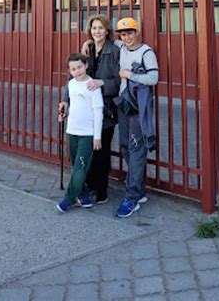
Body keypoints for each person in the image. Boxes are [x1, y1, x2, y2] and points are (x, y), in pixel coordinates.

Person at [59, 15, 120, 203]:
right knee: (87, 153)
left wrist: (102, 83)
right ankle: (89, 186)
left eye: (101, 28)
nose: (97, 32)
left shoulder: (115, 50)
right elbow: (74, 77)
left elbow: (119, 81)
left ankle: (102, 191)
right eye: (94, 28)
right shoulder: (88, 49)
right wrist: (65, 100)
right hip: (84, 112)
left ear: (107, 30)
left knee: (101, 152)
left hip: (105, 109)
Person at [114, 17, 159, 218]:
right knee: (125, 145)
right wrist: (87, 43)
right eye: (123, 34)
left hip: (139, 108)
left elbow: (153, 78)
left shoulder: (146, 52)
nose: (127, 37)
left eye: (130, 33)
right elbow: (102, 39)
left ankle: (132, 197)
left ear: (137, 32)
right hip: (124, 103)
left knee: (136, 148)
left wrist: (129, 75)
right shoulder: (121, 47)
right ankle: (139, 190)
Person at [56, 53, 104, 213]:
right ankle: (83, 195)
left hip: (87, 133)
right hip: (72, 130)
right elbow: (70, 103)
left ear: (86, 66)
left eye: (79, 67)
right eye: (73, 69)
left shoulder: (92, 86)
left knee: (80, 167)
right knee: (75, 165)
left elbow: (98, 112)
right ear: (70, 71)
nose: (77, 71)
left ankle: (69, 199)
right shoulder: (71, 84)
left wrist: (97, 136)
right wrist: (64, 111)